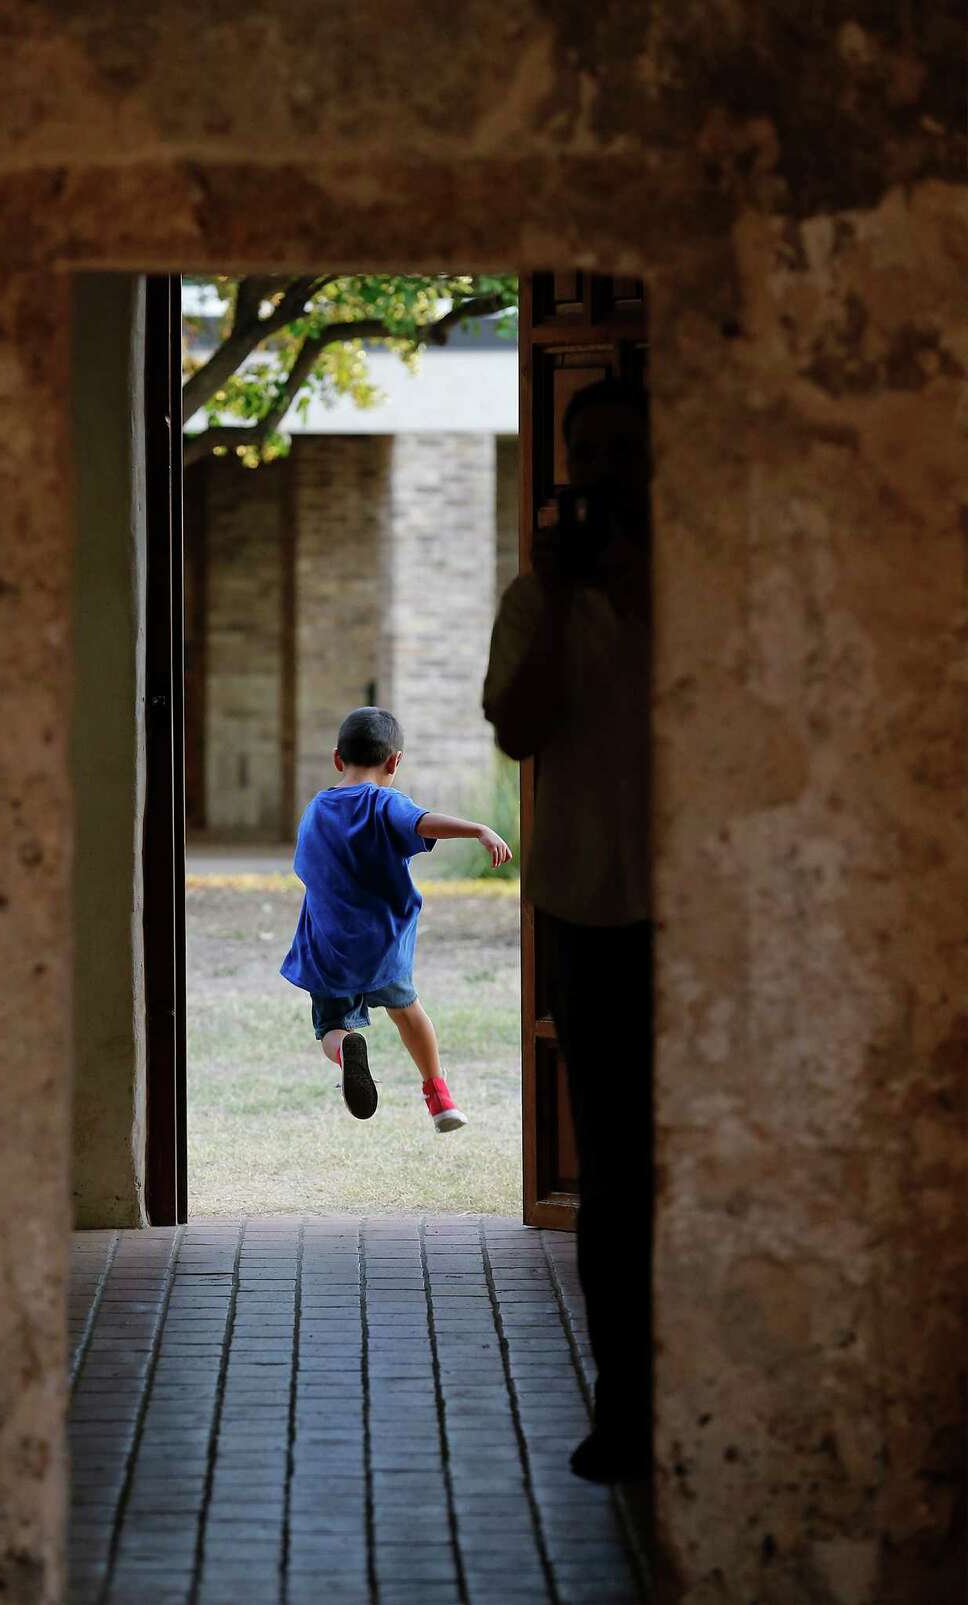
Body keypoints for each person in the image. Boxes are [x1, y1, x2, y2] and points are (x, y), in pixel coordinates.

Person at [482, 376, 654, 1484]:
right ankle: (626, 1410)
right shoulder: (534, 600)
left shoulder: (713, 584)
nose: (594, 471)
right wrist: (556, 597)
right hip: (590, 910)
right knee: (616, 1177)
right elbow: (519, 730)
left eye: (617, 453)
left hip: (712, 914)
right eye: (578, 452)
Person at [281, 706, 512, 1131]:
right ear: (395, 761)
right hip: (380, 946)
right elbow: (424, 823)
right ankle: (438, 1096)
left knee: (331, 1028)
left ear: (337, 759)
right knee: (408, 1013)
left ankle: (348, 1047)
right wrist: (478, 828)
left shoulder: (316, 808)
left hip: (328, 948)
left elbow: (306, 867)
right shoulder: (385, 802)